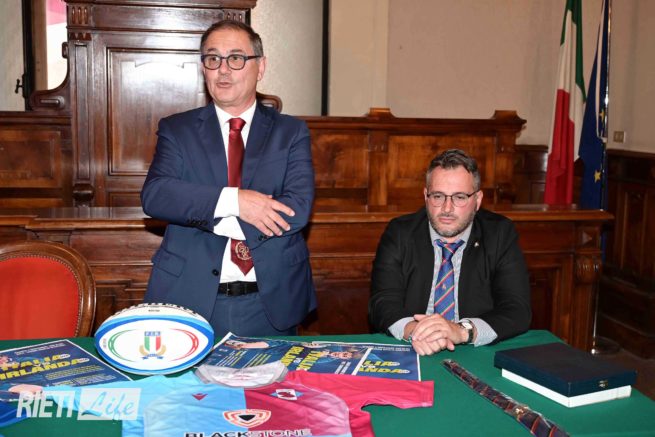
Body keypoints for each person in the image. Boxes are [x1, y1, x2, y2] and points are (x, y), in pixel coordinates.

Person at [141, 20, 316, 338]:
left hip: (271, 302)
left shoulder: (290, 132)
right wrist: (235, 202)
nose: (223, 70)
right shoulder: (177, 130)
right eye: (213, 59)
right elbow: (157, 195)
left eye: (236, 58)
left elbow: (297, 209)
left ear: (260, 67)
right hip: (190, 297)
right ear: (203, 68)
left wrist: (208, 213)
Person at [369, 149, 531, 356]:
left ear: (478, 200)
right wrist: (415, 331)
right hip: (416, 348)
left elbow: (517, 309)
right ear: (426, 196)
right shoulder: (400, 232)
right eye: (438, 196)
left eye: (459, 197)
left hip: (474, 353)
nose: (447, 208)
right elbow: (382, 302)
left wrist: (462, 331)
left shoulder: (500, 233)